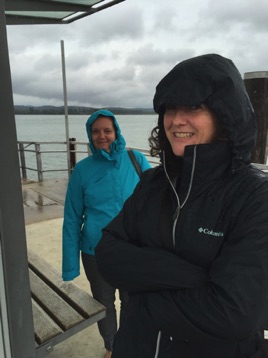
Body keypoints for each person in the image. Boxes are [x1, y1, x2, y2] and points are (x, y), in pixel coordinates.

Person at [95, 54, 268, 358]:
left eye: (193, 107)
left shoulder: (255, 197)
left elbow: (233, 314)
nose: (176, 120)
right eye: (170, 108)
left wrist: (141, 291)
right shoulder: (153, 183)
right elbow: (107, 253)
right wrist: (197, 278)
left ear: (224, 115)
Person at [62, 109, 151, 358]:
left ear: (116, 132)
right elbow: (71, 218)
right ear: (90, 135)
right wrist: (70, 265)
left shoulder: (136, 159)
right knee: (104, 303)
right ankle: (111, 346)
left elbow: (154, 202)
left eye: (107, 130)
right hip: (95, 251)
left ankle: (130, 343)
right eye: (96, 131)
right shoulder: (82, 170)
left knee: (132, 301)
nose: (102, 136)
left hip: (132, 249)